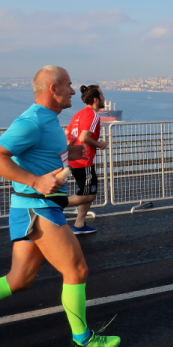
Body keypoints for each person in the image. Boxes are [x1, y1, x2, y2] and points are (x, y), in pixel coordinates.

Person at [0, 66, 120, 347]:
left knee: (19, 279)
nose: (73, 91)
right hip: (38, 208)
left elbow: (41, 155)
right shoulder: (32, 121)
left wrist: (70, 154)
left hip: (35, 207)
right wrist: (35, 181)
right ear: (53, 89)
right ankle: (82, 341)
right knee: (76, 270)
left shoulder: (49, 121)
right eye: (68, 85)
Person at [66, 85, 107, 235]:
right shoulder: (93, 115)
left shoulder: (78, 114)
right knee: (90, 195)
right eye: (102, 95)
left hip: (74, 159)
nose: (104, 98)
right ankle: (52, 204)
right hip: (84, 161)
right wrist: (100, 144)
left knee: (86, 192)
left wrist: (68, 151)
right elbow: (84, 138)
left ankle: (79, 224)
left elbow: (66, 134)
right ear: (96, 99)